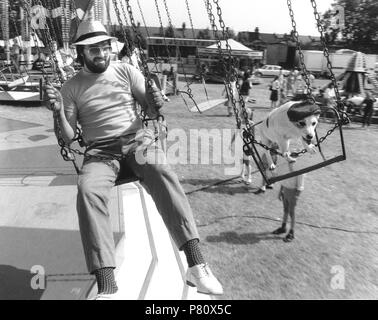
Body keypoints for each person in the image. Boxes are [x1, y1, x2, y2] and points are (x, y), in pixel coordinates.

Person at [44, 20, 223, 300]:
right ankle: (107, 285)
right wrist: (57, 112)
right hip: (101, 152)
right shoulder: (71, 87)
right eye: (93, 49)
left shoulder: (127, 71)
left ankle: (196, 264)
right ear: (82, 53)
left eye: (105, 47)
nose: (101, 53)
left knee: (162, 170)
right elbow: (68, 137)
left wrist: (155, 102)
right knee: (87, 191)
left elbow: (150, 109)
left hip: (136, 139)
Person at [272, 157, 305, 242]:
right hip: (285, 191)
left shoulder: (300, 169)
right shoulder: (285, 166)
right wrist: (280, 191)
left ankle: (291, 232)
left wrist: (296, 196)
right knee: (285, 210)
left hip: (292, 192)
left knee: (291, 213)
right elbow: (284, 179)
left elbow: (300, 186)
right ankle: (283, 227)